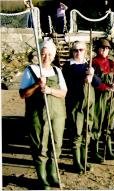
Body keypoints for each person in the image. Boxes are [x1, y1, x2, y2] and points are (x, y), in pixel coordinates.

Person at [19, 40, 67, 189]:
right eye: (43, 53)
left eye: (49, 54)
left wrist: (50, 90)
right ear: (39, 55)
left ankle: (53, 175)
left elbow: (64, 93)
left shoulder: (58, 71)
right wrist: (36, 84)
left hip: (57, 115)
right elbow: (23, 94)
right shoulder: (31, 70)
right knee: (40, 146)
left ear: (53, 56)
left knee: (56, 145)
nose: (46, 56)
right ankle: (42, 178)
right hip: (38, 115)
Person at [62, 41, 101, 174]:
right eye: (75, 50)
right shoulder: (68, 66)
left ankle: (84, 159)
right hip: (75, 104)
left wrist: (92, 75)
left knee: (87, 131)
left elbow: (98, 83)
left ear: (86, 51)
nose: (78, 53)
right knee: (76, 132)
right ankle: (76, 162)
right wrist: (83, 80)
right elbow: (67, 84)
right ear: (72, 52)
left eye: (81, 50)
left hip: (89, 104)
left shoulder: (89, 64)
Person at [92, 38, 114, 161]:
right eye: (103, 48)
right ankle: (94, 152)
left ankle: (107, 150)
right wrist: (106, 87)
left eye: (107, 48)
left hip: (111, 97)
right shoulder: (93, 63)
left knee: (109, 122)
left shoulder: (111, 63)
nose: (105, 50)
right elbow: (95, 82)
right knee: (97, 123)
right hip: (99, 97)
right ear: (97, 49)